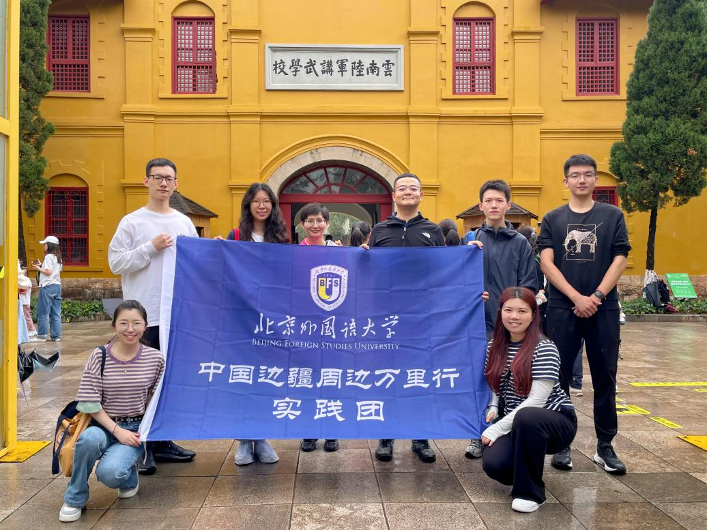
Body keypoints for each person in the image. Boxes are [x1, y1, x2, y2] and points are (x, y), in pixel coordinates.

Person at [539, 154, 630, 475]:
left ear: (595, 180)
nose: (582, 180)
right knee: (558, 376)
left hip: (603, 308)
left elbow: (620, 258)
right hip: (561, 308)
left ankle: (605, 446)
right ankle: (561, 443)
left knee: (605, 376)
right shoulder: (553, 218)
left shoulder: (612, 215)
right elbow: (546, 262)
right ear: (565, 181)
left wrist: (597, 296)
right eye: (575, 175)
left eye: (588, 175)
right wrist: (576, 297)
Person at [108, 158, 197, 474]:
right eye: (157, 177)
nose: (163, 183)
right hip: (142, 317)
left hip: (176, 315)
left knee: (168, 380)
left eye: (169, 178)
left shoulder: (184, 223)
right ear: (146, 181)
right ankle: (141, 444)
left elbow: (197, 264)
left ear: (176, 184)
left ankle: (162, 440)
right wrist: (149, 247)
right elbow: (116, 263)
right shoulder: (132, 222)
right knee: (141, 382)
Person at [59, 301, 165, 522]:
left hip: (135, 429)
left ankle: (128, 476)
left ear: (145, 326)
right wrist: (117, 431)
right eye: (123, 323)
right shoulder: (100, 356)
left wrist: (142, 431)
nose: (130, 329)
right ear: (114, 325)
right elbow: (89, 403)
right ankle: (75, 497)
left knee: (110, 473)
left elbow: (157, 399)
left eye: (136, 323)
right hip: (101, 424)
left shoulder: (156, 359)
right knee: (88, 441)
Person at [366, 173, 444, 463]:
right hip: (386, 317)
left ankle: (420, 437)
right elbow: (369, 272)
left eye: (413, 188)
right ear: (394, 196)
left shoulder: (433, 231)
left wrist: (469, 256)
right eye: (402, 188)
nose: (407, 192)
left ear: (421, 195)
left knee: (418, 376)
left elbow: (445, 271)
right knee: (388, 376)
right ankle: (386, 436)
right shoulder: (379, 231)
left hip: (422, 317)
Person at [481, 287, 576, 514]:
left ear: (534, 315)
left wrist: (497, 428)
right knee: (495, 464)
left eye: (522, 311)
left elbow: (537, 401)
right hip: (518, 422)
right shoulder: (493, 346)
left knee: (528, 416)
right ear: (500, 312)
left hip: (554, 420)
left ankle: (530, 493)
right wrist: (493, 406)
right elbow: (493, 381)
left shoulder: (544, 348)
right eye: (508, 310)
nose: (514, 316)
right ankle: (527, 467)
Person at [462, 181, 538, 461]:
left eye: (499, 200)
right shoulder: (470, 240)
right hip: (478, 323)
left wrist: (514, 310)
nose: (494, 205)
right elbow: (454, 281)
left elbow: (529, 285)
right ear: (480, 206)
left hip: (511, 323)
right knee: (481, 378)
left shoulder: (520, 243)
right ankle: (477, 434)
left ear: (508, 204)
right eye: (489, 201)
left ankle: (507, 433)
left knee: (512, 378)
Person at [225, 183, 286, 465]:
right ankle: (242, 441)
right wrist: (215, 249)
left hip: (272, 318)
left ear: (273, 205)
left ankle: (261, 438)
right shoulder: (236, 236)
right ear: (248, 205)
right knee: (242, 378)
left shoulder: (281, 239)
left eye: (266, 201)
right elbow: (225, 271)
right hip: (241, 318)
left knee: (266, 379)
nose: (262, 206)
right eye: (256, 201)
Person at [298, 202, 341, 453]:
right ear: (302, 225)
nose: (315, 225)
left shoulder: (339, 252)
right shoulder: (294, 253)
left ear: (327, 223)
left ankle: (332, 431)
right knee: (307, 378)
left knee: (332, 377)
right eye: (310, 220)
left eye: (319, 220)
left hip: (333, 326)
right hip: (305, 325)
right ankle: (309, 430)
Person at [31, 236, 63, 342]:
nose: (44, 246)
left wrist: (38, 268)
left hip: (47, 286)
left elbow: (48, 272)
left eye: (45, 244)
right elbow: (55, 270)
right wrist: (42, 265)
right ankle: (56, 336)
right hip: (56, 286)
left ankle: (42, 335)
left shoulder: (49, 256)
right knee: (55, 313)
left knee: (43, 312)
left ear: (49, 245)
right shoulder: (58, 257)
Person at [18, 263, 37, 338]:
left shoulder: (27, 281)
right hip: (22, 301)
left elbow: (24, 291)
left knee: (27, 317)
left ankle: (32, 329)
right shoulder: (22, 281)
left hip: (25, 302)